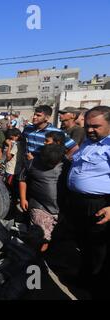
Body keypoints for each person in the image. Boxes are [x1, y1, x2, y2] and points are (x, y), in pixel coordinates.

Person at [67, 106, 110, 298]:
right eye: (87, 126)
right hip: (78, 202)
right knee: (84, 244)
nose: (90, 130)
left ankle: (98, 289)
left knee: (100, 250)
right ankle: (84, 279)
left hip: (100, 204)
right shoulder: (88, 142)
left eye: (96, 126)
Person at [19, 144, 66, 253]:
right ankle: (34, 256)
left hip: (59, 208)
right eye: (46, 162)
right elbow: (22, 179)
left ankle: (42, 254)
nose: (49, 165)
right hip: (39, 206)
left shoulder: (66, 165)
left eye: (53, 163)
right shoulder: (32, 164)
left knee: (51, 236)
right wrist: (22, 198)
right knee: (39, 237)